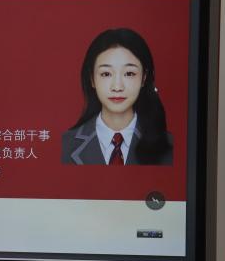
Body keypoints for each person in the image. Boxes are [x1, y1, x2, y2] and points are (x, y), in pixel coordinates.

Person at [61, 27, 173, 166]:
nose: (117, 87)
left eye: (129, 73)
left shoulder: (169, 146)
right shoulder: (66, 145)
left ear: (144, 78)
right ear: (92, 79)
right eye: (106, 74)